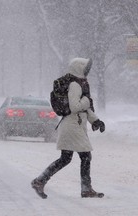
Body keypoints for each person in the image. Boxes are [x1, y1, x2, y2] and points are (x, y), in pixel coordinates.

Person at [31, 57, 105, 199]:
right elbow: (75, 107)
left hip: (72, 125)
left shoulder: (78, 83)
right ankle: (86, 189)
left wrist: (96, 121)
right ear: (79, 68)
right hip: (72, 126)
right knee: (85, 156)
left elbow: (84, 109)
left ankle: (40, 181)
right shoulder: (75, 85)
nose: (87, 71)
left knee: (66, 158)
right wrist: (86, 100)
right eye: (85, 68)